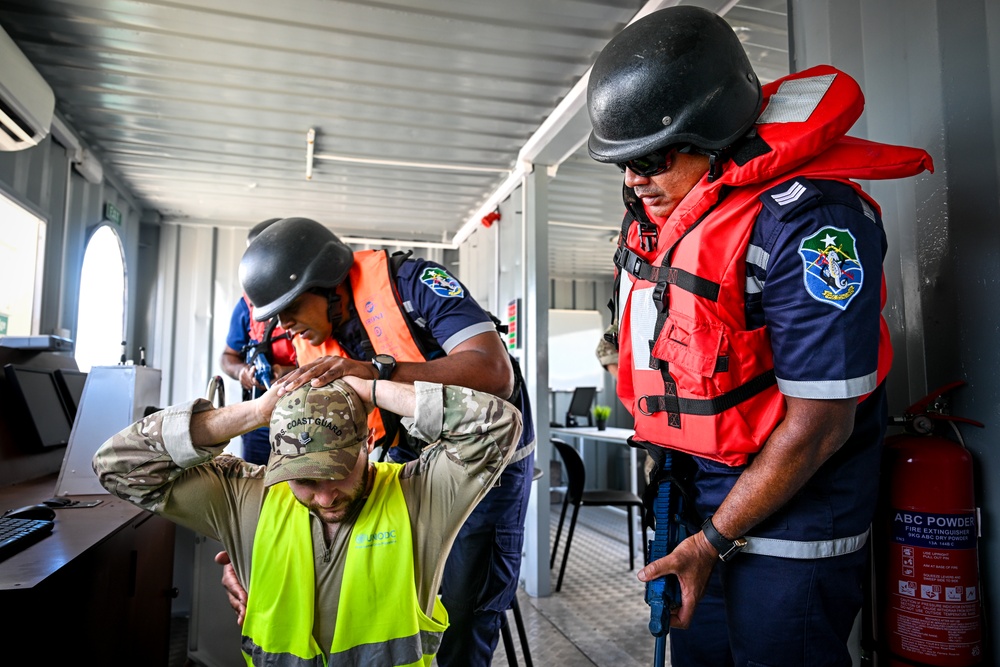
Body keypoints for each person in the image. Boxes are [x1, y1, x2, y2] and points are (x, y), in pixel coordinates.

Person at [585, 7, 932, 666]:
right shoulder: (666, 219)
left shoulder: (813, 226)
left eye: (652, 156)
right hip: (697, 498)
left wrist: (711, 540)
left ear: (713, 131)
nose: (635, 179)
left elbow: (821, 426)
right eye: (623, 163)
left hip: (795, 513)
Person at [233, 216, 537, 665]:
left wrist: (377, 372)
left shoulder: (416, 285)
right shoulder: (313, 341)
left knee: (461, 610)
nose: (284, 324)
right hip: (403, 457)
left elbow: (494, 372)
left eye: (289, 307)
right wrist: (250, 545)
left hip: (483, 465)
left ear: (326, 283)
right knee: (393, 594)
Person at [93, 374, 522, 666]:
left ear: (367, 442)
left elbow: (498, 424)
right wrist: (256, 413)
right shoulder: (247, 498)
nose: (322, 495)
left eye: (337, 472)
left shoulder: (422, 494)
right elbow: (117, 464)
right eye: (301, 480)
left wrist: (370, 387)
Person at [219, 218, 298, 464]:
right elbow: (227, 357)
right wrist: (242, 371)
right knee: (258, 488)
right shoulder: (246, 306)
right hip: (259, 420)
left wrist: (290, 372)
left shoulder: (312, 298)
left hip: (305, 418)